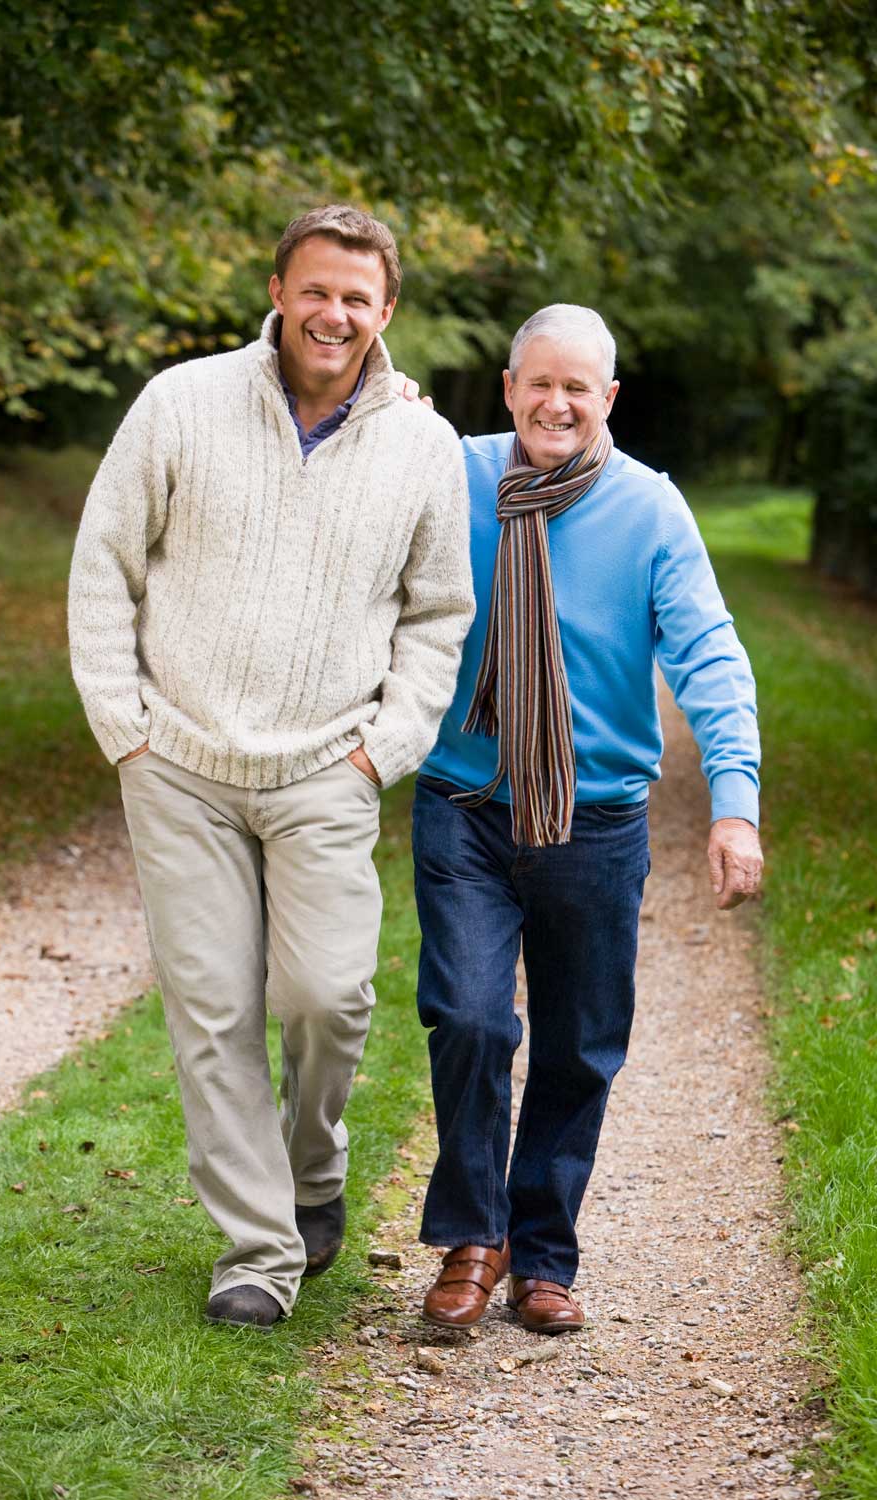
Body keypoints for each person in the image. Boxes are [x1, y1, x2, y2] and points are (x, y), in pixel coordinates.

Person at [68, 205, 474, 1328]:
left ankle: (311, 1173)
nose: (332, 313)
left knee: (325, 996)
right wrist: (127, 731)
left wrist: (379, 752)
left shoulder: (422, 444)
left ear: (384, 312)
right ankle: (258, 1251)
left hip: (324, 770)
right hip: (179, 763)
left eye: (356, 297)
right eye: (316, 290)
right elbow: (103, 564)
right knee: (211, 1010)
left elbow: (439, 614)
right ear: (278, 290)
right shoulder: (181, 403)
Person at [412, 303, 762, 1334]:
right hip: (465, 804)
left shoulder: (651, 510)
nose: (555, 403)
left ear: (606, 399)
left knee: (577, 1046)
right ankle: (474, 1240)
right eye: (538, 383)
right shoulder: (449, 475)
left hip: (595, 819)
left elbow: (709, 656)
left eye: (578, 387)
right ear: (509, 387)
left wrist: (733, 805)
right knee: (470, 1019)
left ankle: (544, 1253)